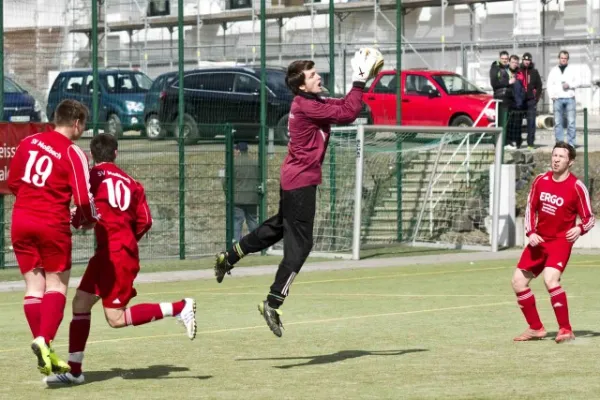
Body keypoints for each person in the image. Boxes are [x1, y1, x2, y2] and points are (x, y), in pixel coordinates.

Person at [213, 48, 380, 337]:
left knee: (279, 226)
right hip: (300, 182)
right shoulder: (306, 104)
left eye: (316, 73)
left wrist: (366, 79)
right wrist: (359, 80)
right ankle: (272, 302)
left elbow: (345, 109)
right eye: (313, 75)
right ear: (302, 85)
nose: (318, 77)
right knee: (300, 247)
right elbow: (348, 111)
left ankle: (229, 257)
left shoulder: (311, 101)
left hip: (295, 178)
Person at [43, 133, 197, 386]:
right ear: (116, 154)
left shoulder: (92, 176)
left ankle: (180, 307)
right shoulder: (132, 182)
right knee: (80, 303)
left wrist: (80, 220)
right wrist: (123, 236)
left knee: (115, 319)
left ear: (92, 156)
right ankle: (75, 371)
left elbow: (84, 207)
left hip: (115, 254)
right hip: (114, 251)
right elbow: (146, 221)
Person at [8, 99, 100, 376]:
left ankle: (43, 346)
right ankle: (43, 340)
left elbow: (13, 182)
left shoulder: (29, 142)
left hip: (21, 219)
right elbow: (84, 200)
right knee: (56, 287)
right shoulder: (74, 153)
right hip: (51, 223)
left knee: (34, 289)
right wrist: (86, 220)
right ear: (76, 123)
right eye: (83, 125)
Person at [511, 142, 594, 343]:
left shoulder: (576, 187)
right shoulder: (541, 180)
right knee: (518, 282)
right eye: (554, 155)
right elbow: (531, 207)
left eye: (561, 157)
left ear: (571, 161)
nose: (556, 159)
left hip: (560, 242)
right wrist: (530, 232)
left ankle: (565, 329)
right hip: (539, 240)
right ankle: (536, 328)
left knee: (550, 280)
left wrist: (579, 228)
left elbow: (589, 218)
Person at [222, 142, 259, 243]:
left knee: (237, 221)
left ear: (238, 150)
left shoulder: (233, 163)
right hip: (252, 198)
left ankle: (236, 244)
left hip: (237, 198)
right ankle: (256, 242)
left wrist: (228, 194)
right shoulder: (255, 163)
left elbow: (225, 181)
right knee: (252, 220)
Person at [547, 50, 577, 147]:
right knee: (558, 123)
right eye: (562, 58)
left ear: (567, 59)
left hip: (570, 99)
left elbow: (578, 82)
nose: (563, 60)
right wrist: (552, 96)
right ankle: (559, 144)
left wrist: (570, 85)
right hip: (558, 99)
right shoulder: (553, 70)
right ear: (559, 58)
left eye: (565, 58)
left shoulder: (572, 70)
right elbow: (549, 84)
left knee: (571, 122)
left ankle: (571, 144)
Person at [517, 52, 543, 150]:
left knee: (531, 123)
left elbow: (539, 86)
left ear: (530, 61)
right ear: (522, 60)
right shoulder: (518, 71)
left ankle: (530, 144)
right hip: (520, 101)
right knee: (518, 122)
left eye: (528, 60)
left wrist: (536, 98)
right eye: (525, 60)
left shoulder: (534, 72)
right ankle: (517, 142)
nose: (527, 62)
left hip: (531, 101)